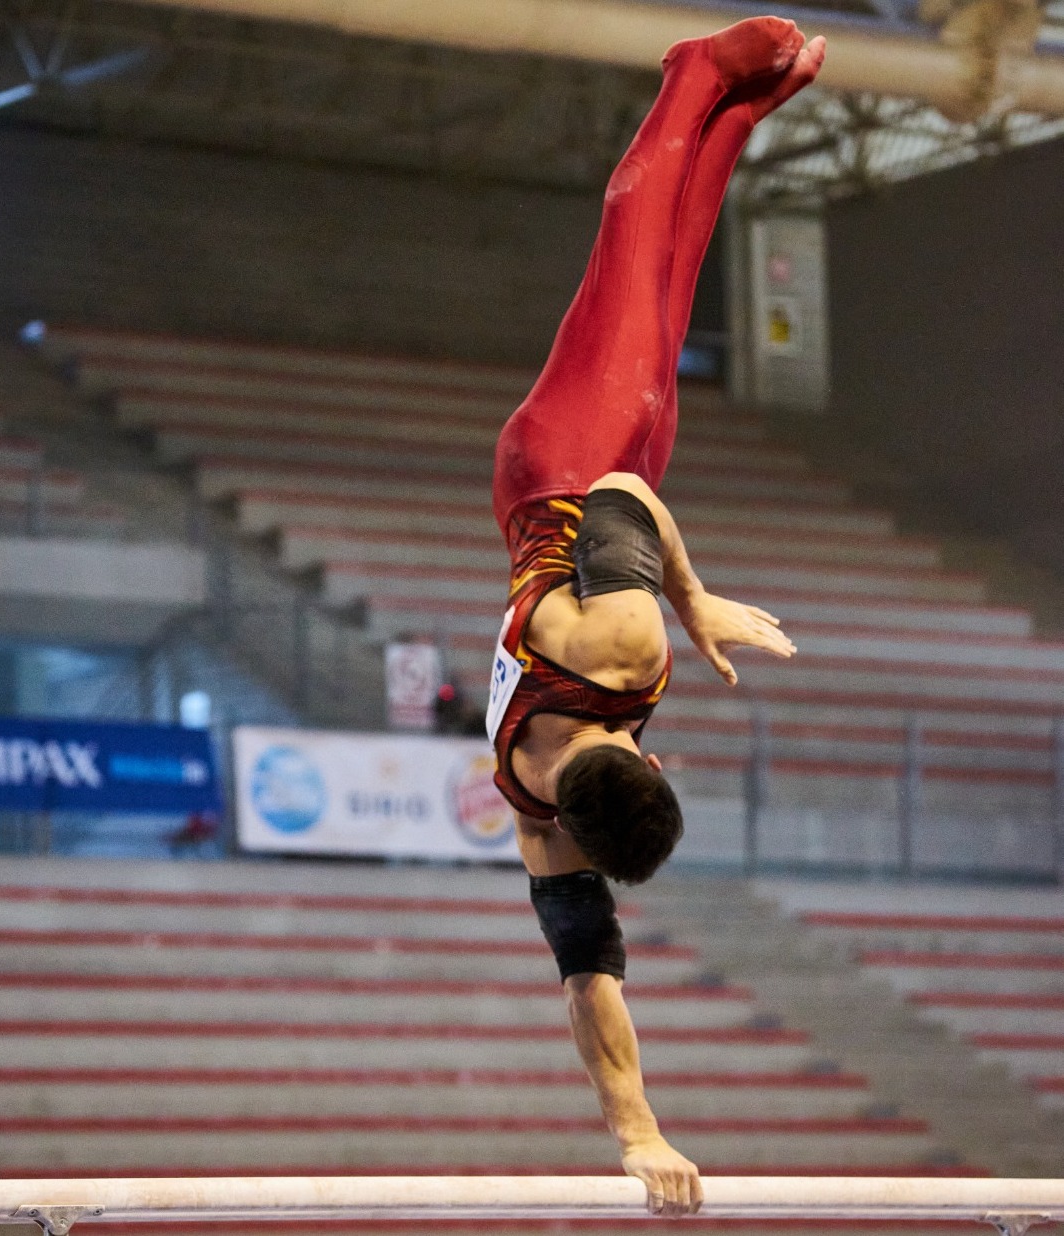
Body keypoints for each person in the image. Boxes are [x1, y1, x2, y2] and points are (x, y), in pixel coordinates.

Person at [487, 16, 824, 1217]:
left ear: (640, 748)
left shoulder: (621, 659)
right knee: (677, 281)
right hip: (607, 515)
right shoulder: (538, 820)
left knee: (632, 255)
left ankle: (694, 72)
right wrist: (638, 1135)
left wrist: (693, 603)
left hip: (566, 464)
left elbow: (625, 494)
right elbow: (589, 982)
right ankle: (736, 118)